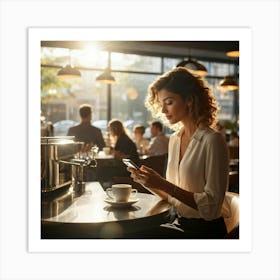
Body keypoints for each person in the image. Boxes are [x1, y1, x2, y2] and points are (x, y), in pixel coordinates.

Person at [127, 67, 230, 239]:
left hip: (205, 232)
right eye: (161, 104)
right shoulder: (174, 139)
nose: (163, 111)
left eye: (169, 102)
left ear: (189, 100)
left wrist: (163, 183)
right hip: (179, 222)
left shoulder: (213, 140)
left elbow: (211, 207)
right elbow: (173, 198)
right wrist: (149, 182)